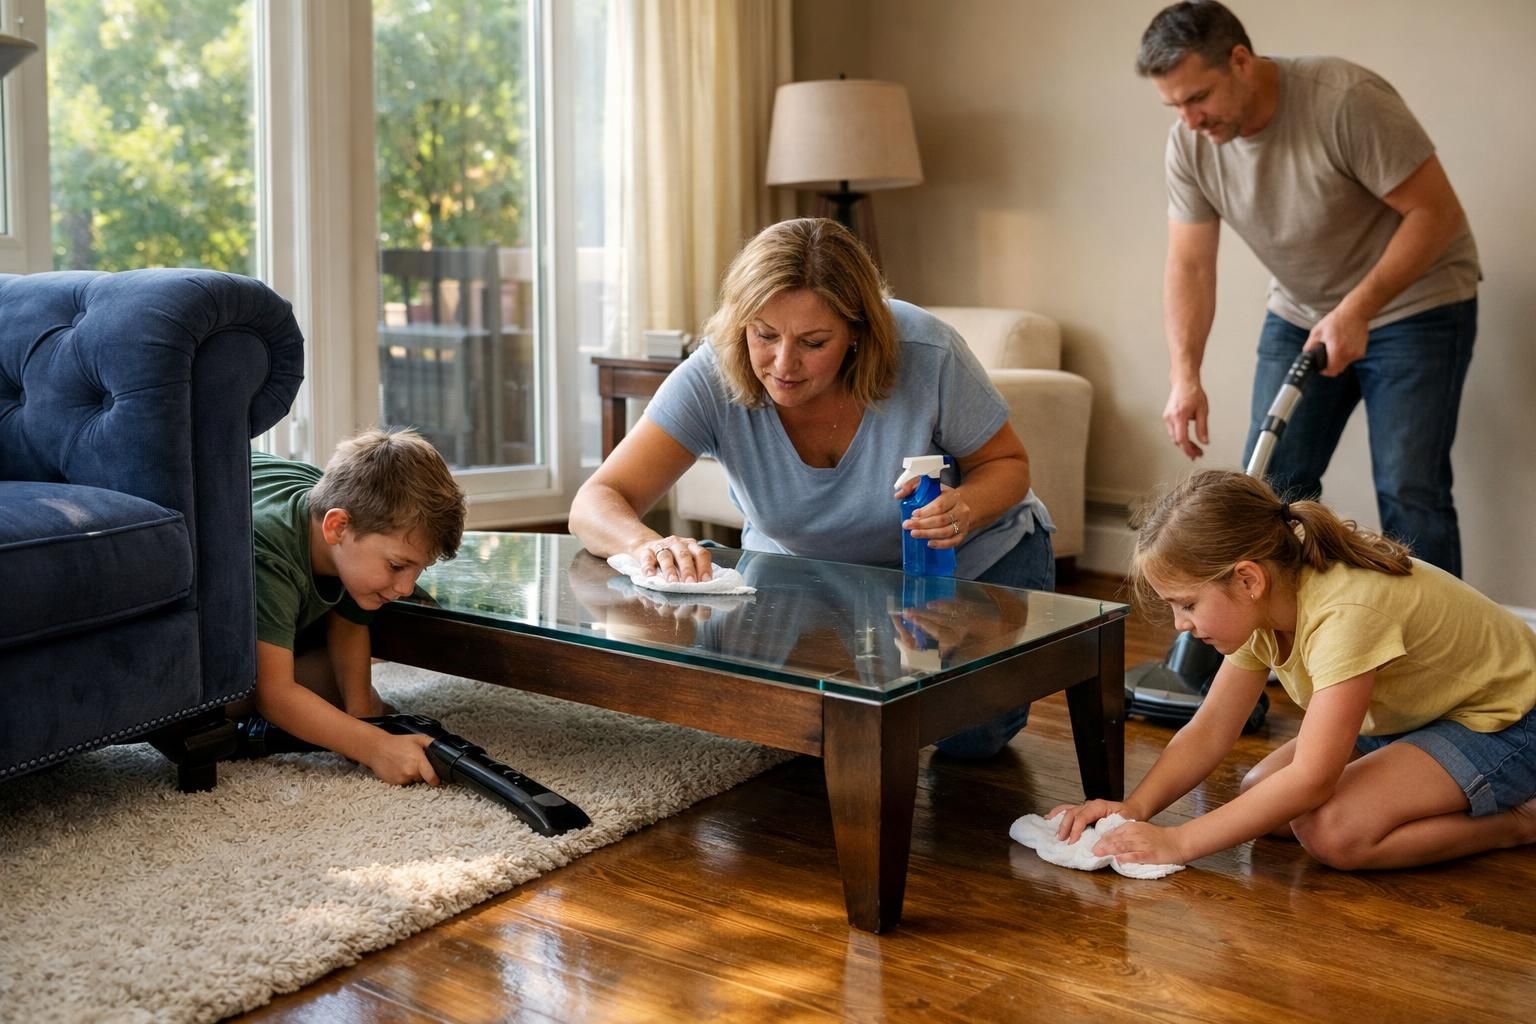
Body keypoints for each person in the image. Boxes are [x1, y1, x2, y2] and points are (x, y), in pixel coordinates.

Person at [568, 217, 1057, 758]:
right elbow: (596, 500)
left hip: (966, 561)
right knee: (785, 731)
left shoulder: (927, 351)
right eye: (764, 334)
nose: (783, 364)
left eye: (813, 342)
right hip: (809, 572)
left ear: (857, 332)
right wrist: (648, 545)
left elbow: (1008, 464)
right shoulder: (713, 371)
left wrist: (964, 506)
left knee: (967, 741)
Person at [1137, 1, 1480, 576]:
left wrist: (1356, 309)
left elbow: (1437, 214)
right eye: (1175, 106)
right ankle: (1287, 630)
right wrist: (1185, 375)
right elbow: (1190, 265)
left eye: (1198, 98)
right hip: (1302, 311)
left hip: (1417, 305)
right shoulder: (1189, 145)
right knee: (1271, 487)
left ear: (1240, 61)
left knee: (1409, 487)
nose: (1190, 120)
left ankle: (1438, 636)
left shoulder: (1344, 100)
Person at [1051, 469, 1536, 871]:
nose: (1181, 625)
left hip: (1509, 721)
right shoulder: (1264, 607)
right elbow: (1211, 728)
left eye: (1188, 604)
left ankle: (1520, 822)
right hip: (1417, 715)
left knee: (1332, 832)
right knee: (1265, 798)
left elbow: (1312, 780)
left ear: (1248, 579)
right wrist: (1133, 809)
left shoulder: (1345, 614)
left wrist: (1179, 842)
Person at [237, 428, 467, 785]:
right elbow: (274, 694)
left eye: (419, 570)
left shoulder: (343, 517)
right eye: (397, 565)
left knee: (353, 706)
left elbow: (349, 622)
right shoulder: (269, 556)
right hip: (212, 630)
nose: (406, 588)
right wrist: (373, 747)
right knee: (272, 696)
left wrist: (363, 720)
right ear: (337, 527)